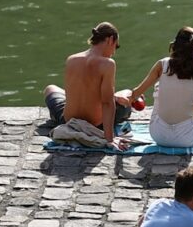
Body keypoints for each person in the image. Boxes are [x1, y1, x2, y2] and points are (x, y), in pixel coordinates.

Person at [127, 26, 193, 148]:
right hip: (187, 139)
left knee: (158, 89)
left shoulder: (162, 64)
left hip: (158, 136)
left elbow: (136, 93)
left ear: (175, 44)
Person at [42, 21, 133, 150]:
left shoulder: (71, 59)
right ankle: (119, 99)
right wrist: (110, 139)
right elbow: (107, 103)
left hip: (68, 121)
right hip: (95, 124)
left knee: (50, 88)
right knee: (125, 101)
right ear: (110, 40)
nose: (114, 52)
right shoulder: (108, 64)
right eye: (116, 47)